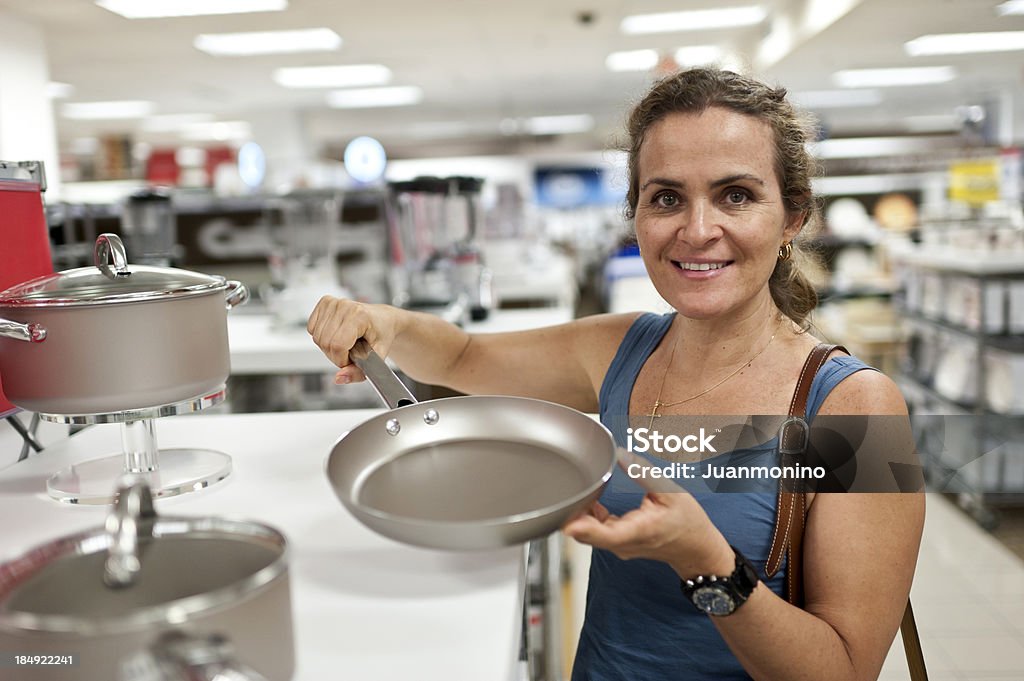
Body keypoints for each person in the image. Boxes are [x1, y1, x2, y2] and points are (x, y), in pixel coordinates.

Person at [308, 67, 924, 681]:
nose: (698, 229)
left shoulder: (855, 406)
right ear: (637, 216)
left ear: (793, 217)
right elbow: (465, 358)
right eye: (667, 198)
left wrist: (705, 560)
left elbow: (843, 671)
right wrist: (386, 323)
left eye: (736, 194)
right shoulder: (619, 349)